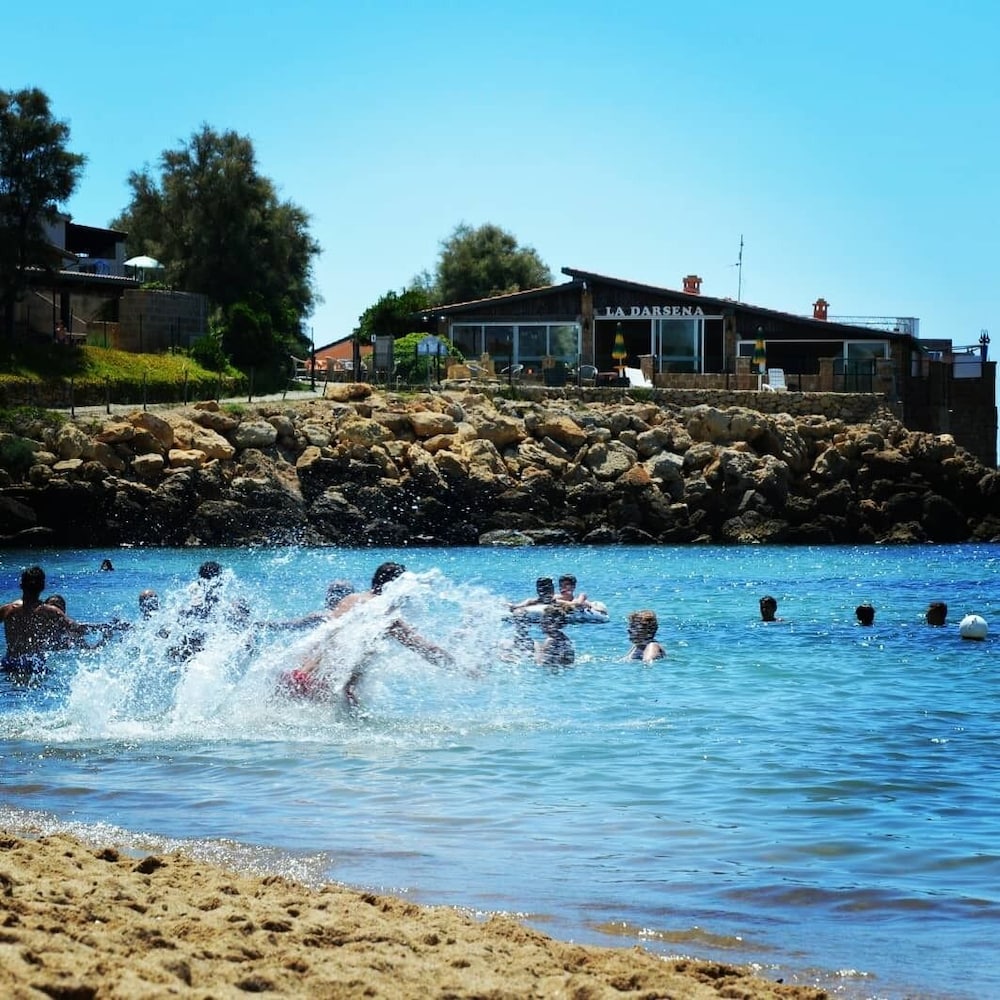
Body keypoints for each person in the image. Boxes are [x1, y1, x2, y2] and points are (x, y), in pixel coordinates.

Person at [281, 562, 454, 706]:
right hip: (326, 685)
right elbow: (424, 648)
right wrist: (458, 667)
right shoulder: (386, 614)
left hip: (300, 672)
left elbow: (330, 636)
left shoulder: (350, 600)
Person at [0, 566, 88, 672]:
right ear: (43, 587)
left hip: (10, 664)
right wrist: (102, 627)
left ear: (21, 585)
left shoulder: (8, 610)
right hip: (34, 666)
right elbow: (77, 628)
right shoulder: (50, 612)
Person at [255, 580, 355, 633]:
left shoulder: (323, 617)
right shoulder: (358, 614)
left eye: (329, 595)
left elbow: (290, 626)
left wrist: (258, 624)